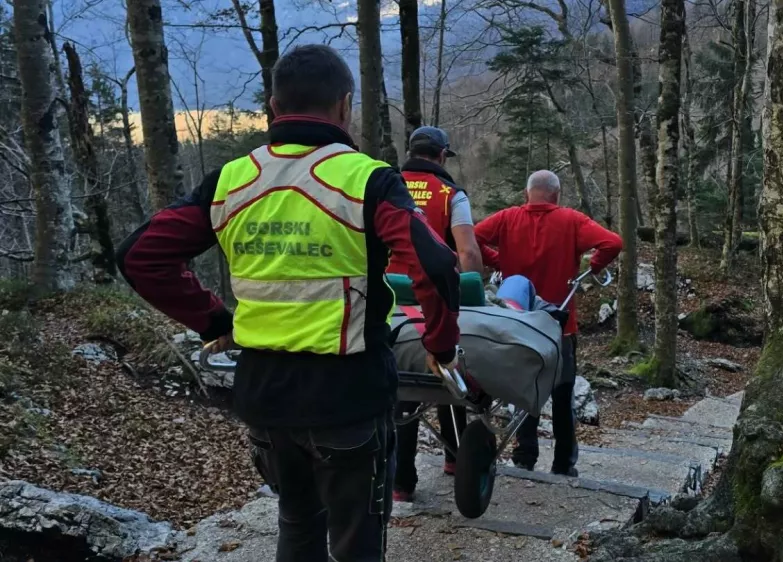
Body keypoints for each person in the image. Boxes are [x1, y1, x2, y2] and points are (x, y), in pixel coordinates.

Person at [116, 45, 460, 562]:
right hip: (348, 396)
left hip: (265, 397)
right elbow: (434, 265)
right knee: (357, 544)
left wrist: (215, 321)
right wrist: (442, 345)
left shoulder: (231, 180)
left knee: (297, 525)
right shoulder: (368, 180)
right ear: (345, 107)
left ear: (274, 108)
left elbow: (141, 256)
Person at [474, 170, 621, 476]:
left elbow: (471, 237)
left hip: (517, 326)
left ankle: (525, 457)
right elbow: (612, 242)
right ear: (556, 195)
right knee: (562, 395)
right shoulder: (572, 220)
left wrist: (497, 260)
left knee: (522, 391)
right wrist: (592, 267)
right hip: (559, 327)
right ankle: (563, 464)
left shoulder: (507, 218)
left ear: (527, 194)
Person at [386, 126, 482, 503]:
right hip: (429, 299)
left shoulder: (384, 185)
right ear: (442, 156)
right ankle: (455, 459)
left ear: (410, 151)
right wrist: (472, 292)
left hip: (386, 301)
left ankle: (401, 482)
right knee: (447, 370)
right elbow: (468, 252)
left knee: (402, 389)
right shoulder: (451, 195)